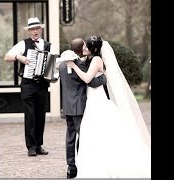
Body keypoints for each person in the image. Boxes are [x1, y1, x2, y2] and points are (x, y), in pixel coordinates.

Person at [66, 35, 151, 178]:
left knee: (100, 134)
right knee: (93, 135)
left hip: (98, 101)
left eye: (86, 46)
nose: (84, 48)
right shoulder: (89, 59)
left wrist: (73, 66)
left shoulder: (97, 60)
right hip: (92, 100)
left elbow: (87, 78)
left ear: (94, 49)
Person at [4, 17, 55, 157]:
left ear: (41, 29)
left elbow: (54, 65)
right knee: (30, 115)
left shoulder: (49, 46)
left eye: (37, 28)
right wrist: (19, 57)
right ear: (29, 31)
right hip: (28, 84)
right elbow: (6, 56)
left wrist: (53, 76)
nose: (35, 31)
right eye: (32, 29)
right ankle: (31, 146)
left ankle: (39, 145)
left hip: (43, 85)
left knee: (40, 115)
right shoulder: (23, 44)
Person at [57, 38, 108, 179]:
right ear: (81, 50)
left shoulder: (61, 65)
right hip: (80, 106)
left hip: (67, 106)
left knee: (70, 137)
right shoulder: (82, 66)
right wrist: (104, 78)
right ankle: (81, 165)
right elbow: (90, 82)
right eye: (84, 47)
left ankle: (70, 167)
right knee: (83, 136)